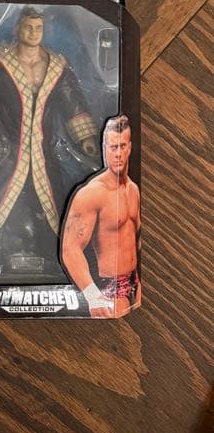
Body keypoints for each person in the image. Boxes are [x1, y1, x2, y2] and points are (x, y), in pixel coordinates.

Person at [0, 7, 99, 281]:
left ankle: (58, 258)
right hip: (7, 151)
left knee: (53, 203)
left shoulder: (57, 65)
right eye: (28, 27)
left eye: (38, 28)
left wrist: (86, 138)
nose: (34, 33)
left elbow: (73, 101)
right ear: (18, 28)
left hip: (45, 154)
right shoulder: (0, 61)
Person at [61, 115, 141, 317]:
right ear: (104, 149)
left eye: (122, 146)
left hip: (136, 284)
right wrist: (92, 296)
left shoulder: (133, 190)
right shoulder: (92, 193)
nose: (118, 153)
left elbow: (137, 239)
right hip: (110, 288)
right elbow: (70, 248)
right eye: (113, 147)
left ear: (130, 147)